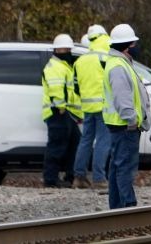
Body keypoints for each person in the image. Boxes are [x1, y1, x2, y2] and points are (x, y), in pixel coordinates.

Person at [102, 23, 149, 209]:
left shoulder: (119, 63)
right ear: (128, 46)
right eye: (133, 44)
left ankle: (116, 207)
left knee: (117, 166)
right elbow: (123, 99)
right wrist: (132, 120)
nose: (136, 48)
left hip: (120, 125)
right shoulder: (118, 67)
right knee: (125, 167)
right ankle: (128, 205)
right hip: (124, 126)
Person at [73, 24, 111, 191]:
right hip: (104, 107)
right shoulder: (106, 57)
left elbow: (75, 87)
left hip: (87, 107)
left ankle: (79, 177)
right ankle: (99, 178)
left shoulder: (80, 61)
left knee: (86, 141)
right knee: (103, 141)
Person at [41, 33, 81, 188]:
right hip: (58, 113)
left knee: (74, 143)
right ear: (60, 49)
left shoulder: (63, 65)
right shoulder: (55, 67)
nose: (69, 51)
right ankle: (50, 179)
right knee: (56, 146)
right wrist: (61, 107)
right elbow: (56, 89)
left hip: (66, 114)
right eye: (67, 48)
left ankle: (70, 176)